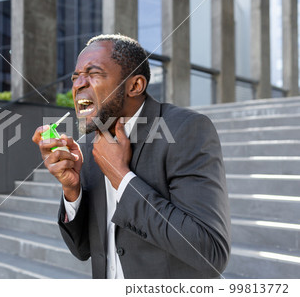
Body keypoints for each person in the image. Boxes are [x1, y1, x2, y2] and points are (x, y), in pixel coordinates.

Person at [32, 34, 230, 279]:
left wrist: (121, 176)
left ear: (135, 86)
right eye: (75, 77)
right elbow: (82, 250)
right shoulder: (89, 145)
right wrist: (72, 190)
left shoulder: (186, 129)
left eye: (93, 73)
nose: (78, 84)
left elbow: (210, 253)